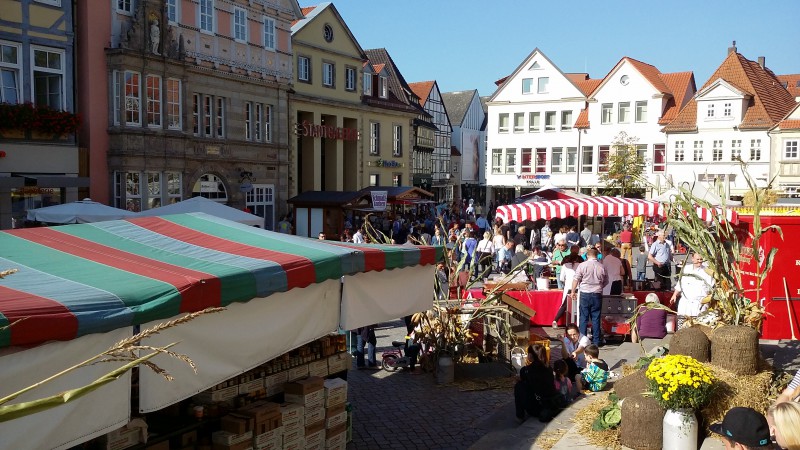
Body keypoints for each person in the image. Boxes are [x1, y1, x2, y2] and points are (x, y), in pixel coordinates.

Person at [571, 248, 609, 346]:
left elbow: (576, 279)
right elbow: (606, 281)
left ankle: (582, 341)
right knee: (596, 318)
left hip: (584, 293)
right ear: (597, 255)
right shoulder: (602, 266)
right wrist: (599, 287)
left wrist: (573, 291)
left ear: (587, 255)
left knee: (583, 318)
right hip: (597, 294)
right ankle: (596, 341)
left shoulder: (582, 265)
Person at [514, 344, 561, 423]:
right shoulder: (549, 368)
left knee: (519, 386)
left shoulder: (526, 370)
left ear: (531, 355)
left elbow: (524, 380)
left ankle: (520, 416)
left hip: (537, 407)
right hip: (551, 404)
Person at [670, 251, 714, 328]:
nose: (700, 261)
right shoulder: (686, 269)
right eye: (698, 259)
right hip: (685, 305)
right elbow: (680, 283)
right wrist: (674, 295)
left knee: (697, 329)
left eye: (701, 259)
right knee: (682, 327)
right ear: (692, 259)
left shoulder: (707, 271)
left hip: (699, 304)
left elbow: (711, 287)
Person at [553, 245, 582, 327]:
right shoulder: (581, 262)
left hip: (568, 286)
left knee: (564, 305)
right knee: (579, 306)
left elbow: (562, 278)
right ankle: (578, 323)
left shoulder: (565, 263)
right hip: (578, 287)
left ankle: (555, 320)